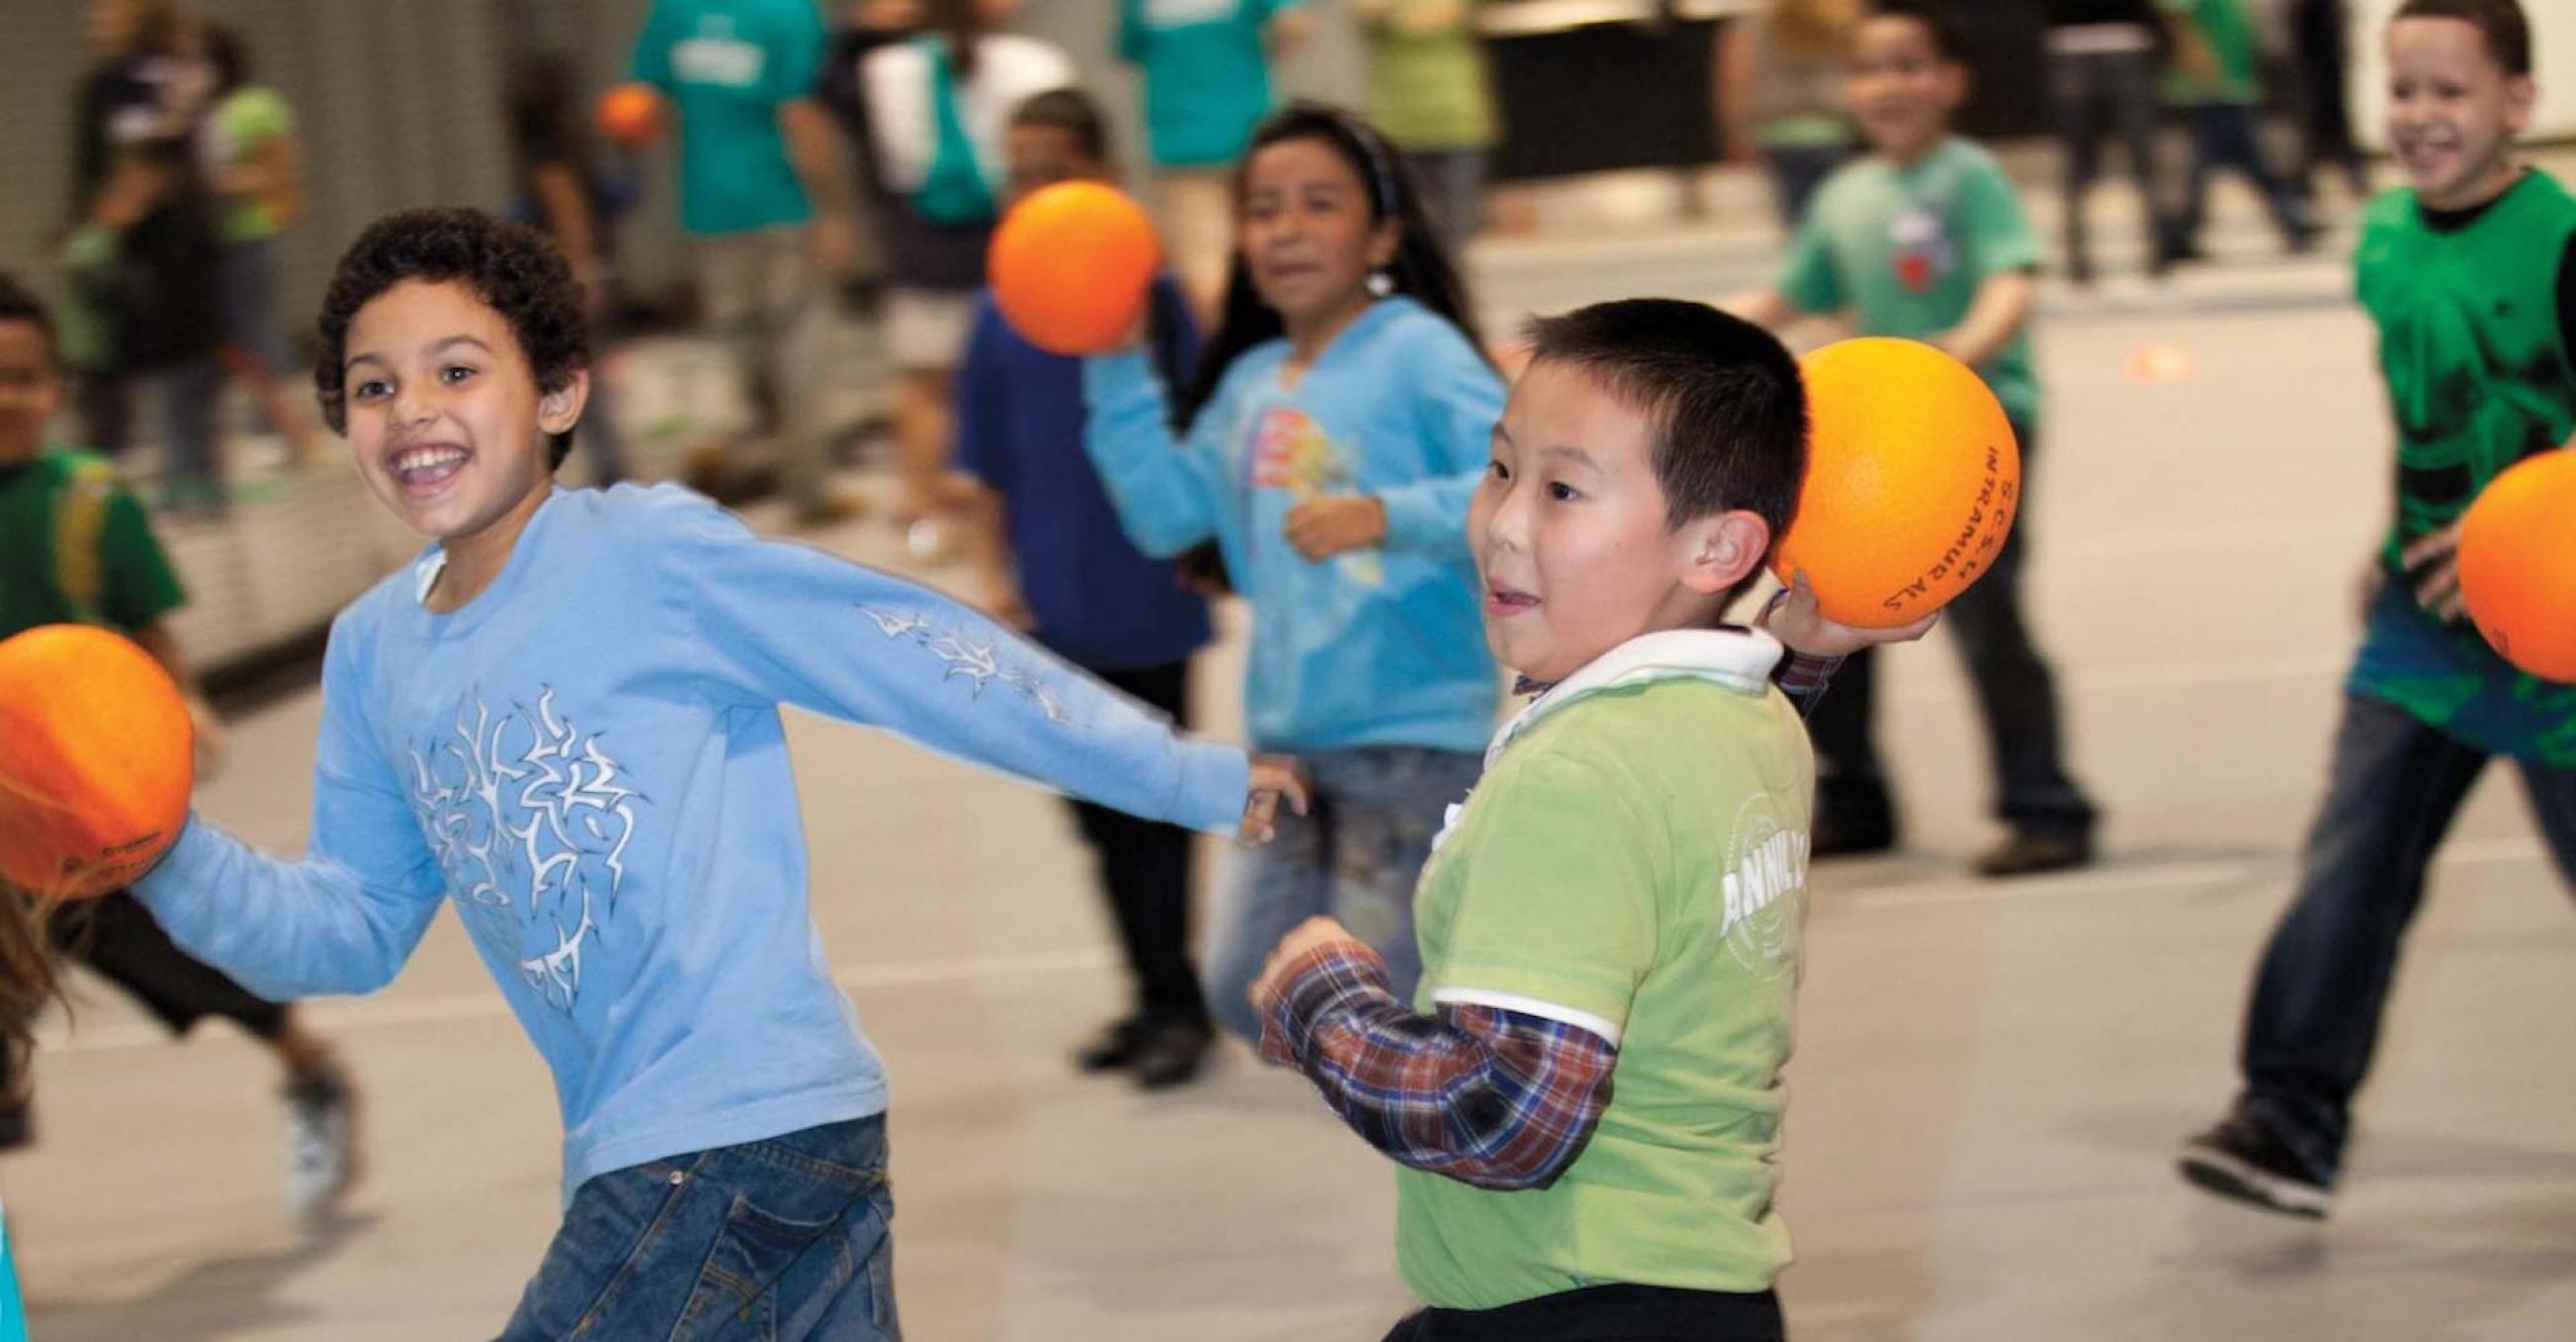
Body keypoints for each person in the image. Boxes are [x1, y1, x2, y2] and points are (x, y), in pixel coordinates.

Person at [122, 207, 1297, 1336]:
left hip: (729, 1133)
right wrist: (156, 843)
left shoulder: (645, 557)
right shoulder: (374, 651)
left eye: (457, 370)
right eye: (373, 385)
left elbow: (917, 660)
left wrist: (1184, 775)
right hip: (718, 1149)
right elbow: (349, 928)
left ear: (560, 391)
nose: (411, 409)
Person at [1250, 299, 1923, 1340]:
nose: (1504, 523)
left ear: (1718, 546)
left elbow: (1502, 1115)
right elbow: (1685, 780)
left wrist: (1320, 1006)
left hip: (1563, 1301)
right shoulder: (1748, 721)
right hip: (1698, 1295)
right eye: (1500, 469)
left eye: (1564, 489)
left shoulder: (1576, 776)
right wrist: (1806, 645)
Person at [2179, 0, 2576, 1220]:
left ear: (2517, 100)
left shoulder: (2558, 240)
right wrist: (2384, 533)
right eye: (2399, 90)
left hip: (2557, 637)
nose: (2418, 117)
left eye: (2448, 91)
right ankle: (2288, 1119)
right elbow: (2426, 413)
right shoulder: (2384, 239)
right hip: (2422, 629)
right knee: (2349, 863)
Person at [1083, 105, 1503, 1044]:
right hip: (1289, 748)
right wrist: (1116, 371)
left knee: (1385, 1007)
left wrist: (1384, 515)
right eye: (1265, 209)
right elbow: (1166, 514)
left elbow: (1510, 483)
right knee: (1247, 990)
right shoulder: (1249, 383)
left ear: (1383, 233)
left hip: (1415, 739)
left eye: (1320, 204)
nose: (1287, 229)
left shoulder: (1415, 351)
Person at [0, 272, 361, 1222]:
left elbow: (149, 630)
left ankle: (307, 1067)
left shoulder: (85, 500)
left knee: (188, 964)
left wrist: (185, 706)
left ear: (59, 389)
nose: (8, 395)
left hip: (82, 811)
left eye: (26, 375)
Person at [1728, 0, 2100, 877]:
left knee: (1985, 616)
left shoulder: (1968, 176)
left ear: (1951, 83)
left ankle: (2047, 805)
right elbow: (1786, 296)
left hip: (1972, 435)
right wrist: (1679, 337)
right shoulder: (1843, 194)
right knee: (1835, 608)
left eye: (1908, 66)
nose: (1888, 85)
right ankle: (1856, 795)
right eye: (1869, 70)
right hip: (1871, 445)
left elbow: (2012, 279)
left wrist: (1960, 356)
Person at [951, 88, 1219, 1087]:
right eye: (1021, 171)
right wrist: (994, 583)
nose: (1037, 189)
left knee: (1152, 808)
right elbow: (982, 463)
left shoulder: (1153, 300)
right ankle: (1153, 990)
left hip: (1145, 591)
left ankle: (1174, 1000)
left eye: (1057, 166)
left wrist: (1209, 547)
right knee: (1096, 821)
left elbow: (1204, 428)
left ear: (1102, 177)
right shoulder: (996, 310)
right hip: (1052, 603)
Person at [847, 0, 1072, 557]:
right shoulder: (1035, 63)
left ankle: (931, 519)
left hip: (924, 237)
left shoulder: (885, 69)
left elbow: (887, 160)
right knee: (1008, 381)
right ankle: (1016, 513)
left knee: (926, 386)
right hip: (1011, 232)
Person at [629, 0, 863, 523]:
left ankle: (722, 477)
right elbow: (801, 115)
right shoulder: (791, 14)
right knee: (800, 339)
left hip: (708, 207)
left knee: (729, 342)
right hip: (782, 204)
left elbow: (646, 109)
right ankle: (809, 490)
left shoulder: (674, 12)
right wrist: (833, 209)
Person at [63, 137, 229, 514]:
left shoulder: (172, 226)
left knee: (182, 422)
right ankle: (182, 491)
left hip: (180, 346)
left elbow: (167, 293)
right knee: (161, 425)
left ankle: (193, 494)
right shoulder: (121, 237)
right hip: (132, 354)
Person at [1118, 0, 1314, 316]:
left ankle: (1232, 348)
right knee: (1273, 253)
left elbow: (1130, 48)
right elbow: (1292, 25)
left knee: (1205, 269)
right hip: (1251, 134)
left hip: (1181, 143)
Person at [506, 54, 634, 487]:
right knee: (585, 377)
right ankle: (609, 469)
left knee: (578, 380)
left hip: (568, 279)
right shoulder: (571, 145)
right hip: (584, 271)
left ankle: (609, 472)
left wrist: (580, 273)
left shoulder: (546, 156)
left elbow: (568, 213)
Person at [202, 23, 320, 467]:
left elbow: (281, 163)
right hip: (209, 242)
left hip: (249, 233)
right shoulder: (203, 112)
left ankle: (280, 426)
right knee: (228, 338)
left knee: (256, 330)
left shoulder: (256, 106)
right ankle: (258, 423)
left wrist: (239, 186)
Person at [2160, 0, 2323, 261]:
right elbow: (2176, 16)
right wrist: (2198, 58)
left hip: (2233, 80)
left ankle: (2178, 233)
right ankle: (2290, 221)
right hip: (2210, 86)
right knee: (2244, 162)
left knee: (2215, 163)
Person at [2043, 0, 2178, 283]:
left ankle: (2080, 258)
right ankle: (2156, 251)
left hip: (2080, 42)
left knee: (2082, 164)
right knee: (2141, 160)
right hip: (2116, 41)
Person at [1353, 0, 1501, 253]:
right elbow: (1369, 12)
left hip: (1458, 119)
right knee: (1405, 229)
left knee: (1457, 231)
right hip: (1398, 123)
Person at [1717, 0, 1860, 229]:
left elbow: (1736, 82)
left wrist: (1736, 134)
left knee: (1799, 224)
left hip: (1781, 135)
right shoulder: (1846, 18)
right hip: (1835, 132)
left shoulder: (1754, 23)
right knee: (1839, 218)